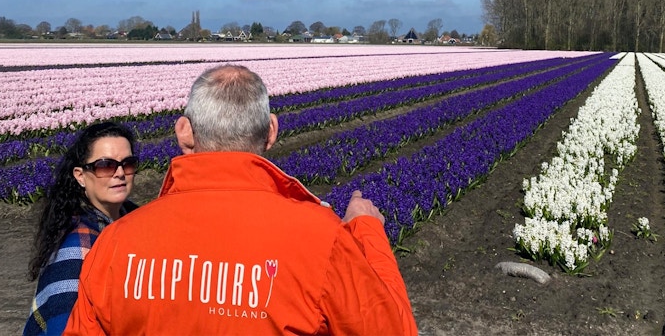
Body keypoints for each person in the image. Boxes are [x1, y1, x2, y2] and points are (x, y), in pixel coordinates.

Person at [65, 65, 418, 335]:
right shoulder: (323, 240)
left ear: (184, 131)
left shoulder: (115, 243)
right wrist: (367, 230)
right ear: (272, 131)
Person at [23, 121, 140, 336]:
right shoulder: (78, 246)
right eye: (106, 165)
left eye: (128, 163)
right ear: (80, 176)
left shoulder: (137, 220)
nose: (120, 173)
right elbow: (62, 327)